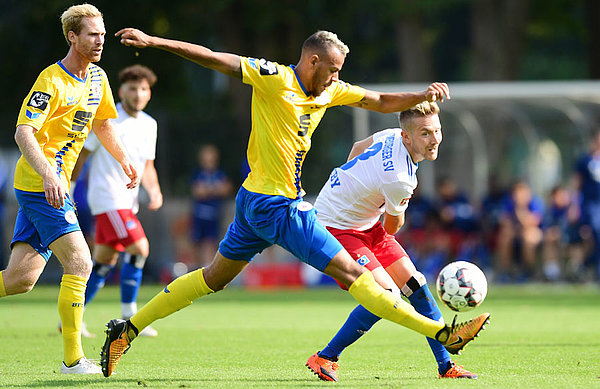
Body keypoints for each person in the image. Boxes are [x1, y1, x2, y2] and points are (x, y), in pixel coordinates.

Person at [100, 28, 489, 378]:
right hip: (280, 206)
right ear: (312, 61)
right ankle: (441, 333)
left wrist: (422, 95)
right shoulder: (275, 78)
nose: (337, 78)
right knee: (357, 277)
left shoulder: (329, 90)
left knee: (213, 277)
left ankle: (127, 328)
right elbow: (217, 59)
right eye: (333, 69)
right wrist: (156, 41)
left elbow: (381, 100)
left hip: (252, 201)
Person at [0, 4, 138, 374]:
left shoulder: (98, 79)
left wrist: (124, 159)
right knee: (80, 262)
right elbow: (23, 131)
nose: (100, 41)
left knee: (19, 280)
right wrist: (47, 173)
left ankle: (74, 359)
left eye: (103, 35)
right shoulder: (51, 80)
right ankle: (74, 360)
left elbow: (104, 123)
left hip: (51, 188)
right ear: (72, 36)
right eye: (92, 34)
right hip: (39, 186)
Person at [305, 102, 479, 381]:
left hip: (364, 222)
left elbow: (358, 146)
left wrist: (353, 184)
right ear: (407, 137)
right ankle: (325, 357)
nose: (434, 139)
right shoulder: (399, 179)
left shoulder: (391, 135)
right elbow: (394, 226)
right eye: (425, 133)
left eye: (437, 130)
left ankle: (446, 366)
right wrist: (358, 195)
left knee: (416, 286)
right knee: (386, 295)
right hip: (336, 227)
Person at [71, 64, 163, 338]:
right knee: (140, 248)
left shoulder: (150, 124)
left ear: (149, 93)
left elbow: (147, 166)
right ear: (121, 91)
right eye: (132, 88)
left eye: (143, 89)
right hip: (107, 199)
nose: (138, 94)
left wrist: (155, 190)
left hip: (127, 201)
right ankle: (129, 316)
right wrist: (70, 186)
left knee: (102, 263)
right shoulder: (107, 122)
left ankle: (71, 320)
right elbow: (82, 157)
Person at [190, 144, 232, 268]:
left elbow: (226, 189)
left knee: (210, 243)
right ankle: (195, 269)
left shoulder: (220, 174)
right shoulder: (198, 173)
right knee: (196, 243)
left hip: (214, 215)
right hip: (199, 215)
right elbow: (197, 191)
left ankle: (206, 269)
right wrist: (215, 189)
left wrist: (207, 189)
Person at [495, 180, 544, 282]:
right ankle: (506, 272)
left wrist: (520, 208)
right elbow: (504, 221)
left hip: (532, 233)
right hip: (515, 232)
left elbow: (531, 222)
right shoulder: (508, 202)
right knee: (505, 236)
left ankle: (527, 271)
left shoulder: (535, 202)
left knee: (528, 237)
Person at [574, 129, 600, 280]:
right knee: (596, 233)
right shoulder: (585, 160)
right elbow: (577, 183)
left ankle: (588, 264)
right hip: (592, 205)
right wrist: (574, 204)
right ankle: (595, 268)